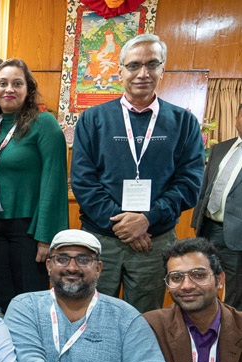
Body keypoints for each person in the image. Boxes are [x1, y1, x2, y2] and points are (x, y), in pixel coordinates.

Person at [71, 33, 205, 313]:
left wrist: (147, 219)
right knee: (92, 314)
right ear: (119, 71)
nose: (142, 73)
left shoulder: (184, 122)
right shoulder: (93, 119)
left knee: (145, 320)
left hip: (154, 241)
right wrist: (124, 226)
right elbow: (83, 182)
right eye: (133, 65)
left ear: (162, 69)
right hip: (102, 239)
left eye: (152, 64)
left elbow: (189, 184)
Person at [4, 229, 173, 362]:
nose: (72, 267)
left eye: (83, 260)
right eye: (62, 259)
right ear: (49, 265)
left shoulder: (126, 317)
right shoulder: (25, 308)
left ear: (99, 268)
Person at [0, 58, 69, 312]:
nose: (9, 89)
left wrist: (47, 238)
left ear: (28, 89)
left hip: (29, 230)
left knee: (30, 303)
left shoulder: (43, 123)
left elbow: (54, 181)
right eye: (2, 83)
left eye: (17, 83)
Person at [144, 238, 242, 362]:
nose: (187, 285)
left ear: (219, 280)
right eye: (176, 278)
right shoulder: (152, 326)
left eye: (198, 275)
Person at [192, 103, 242, 310]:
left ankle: (232, 336)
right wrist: (197, 222)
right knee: (203, 280)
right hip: (209, 228)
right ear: (237, 118)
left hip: (237, 236)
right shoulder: (221, 148)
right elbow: (206, 188)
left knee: (235, 293)